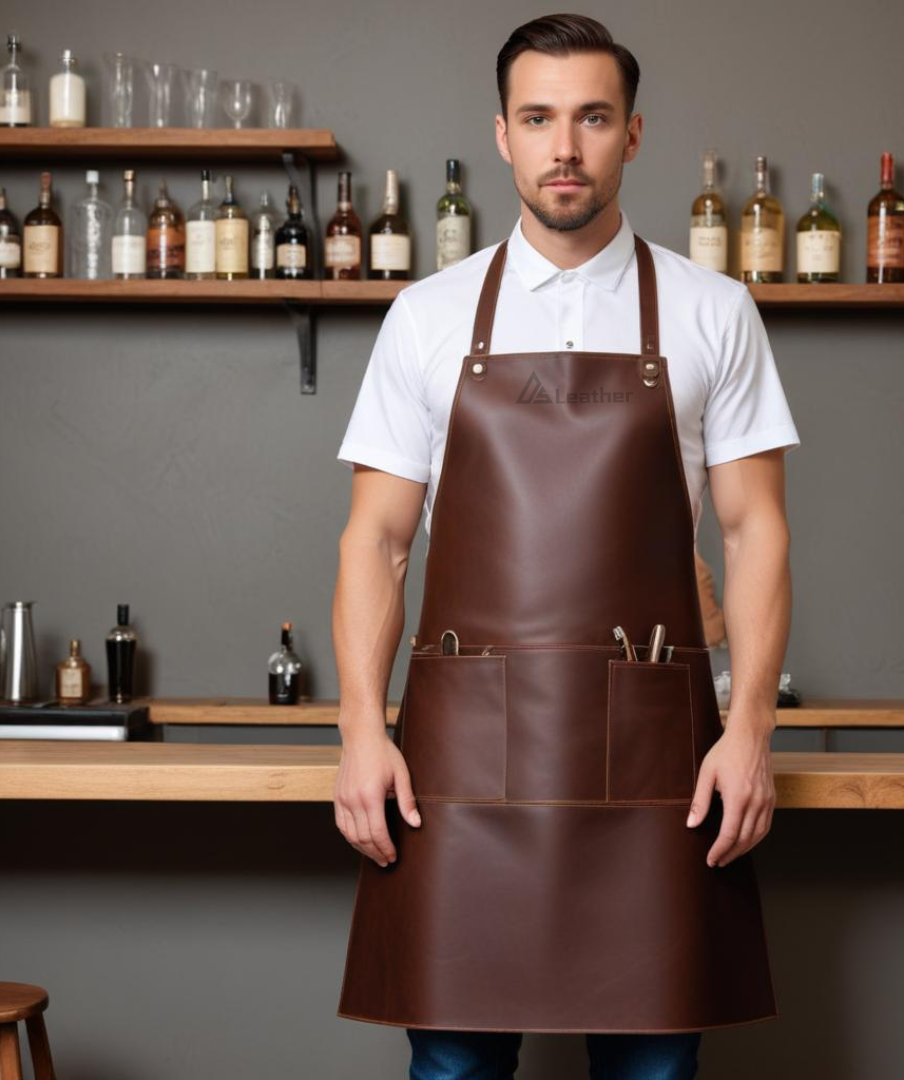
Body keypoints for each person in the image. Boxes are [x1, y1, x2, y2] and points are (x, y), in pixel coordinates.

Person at [331, 13, 800, 1079]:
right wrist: (361, 728)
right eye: (539, 118)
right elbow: (377, 541)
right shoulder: (427, 315)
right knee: (452, 1067)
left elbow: (754, 529)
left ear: (632, 134)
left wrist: (752, 728)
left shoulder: (714, 310)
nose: (564, 148)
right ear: (502, 134)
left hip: (654, 755)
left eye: (592, 117)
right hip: (459, 759)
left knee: (652, 1068)